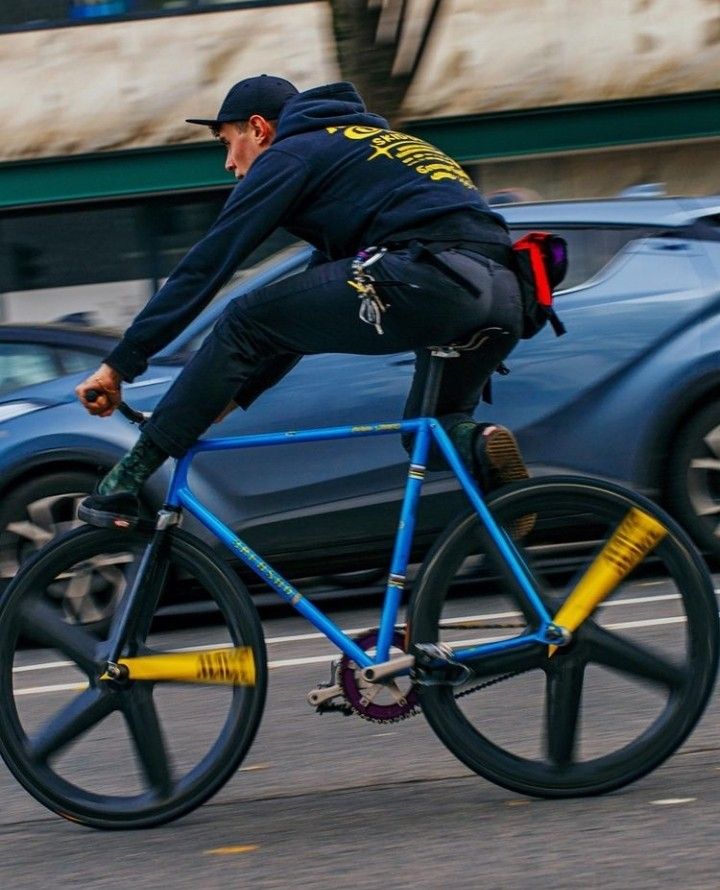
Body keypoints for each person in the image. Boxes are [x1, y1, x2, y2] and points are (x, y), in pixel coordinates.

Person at [76, 75, 528, 528]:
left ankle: (124, 482)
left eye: (226, 142)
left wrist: (120, 365)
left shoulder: (294, 150)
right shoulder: (370, 147)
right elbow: (297, 324)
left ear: (258, 129)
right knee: (433, 433)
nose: (229, 164)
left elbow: (208, 263)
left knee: (242, 317)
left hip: (429, 277)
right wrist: (224, 396)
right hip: (506, 292)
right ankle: (491, 463)